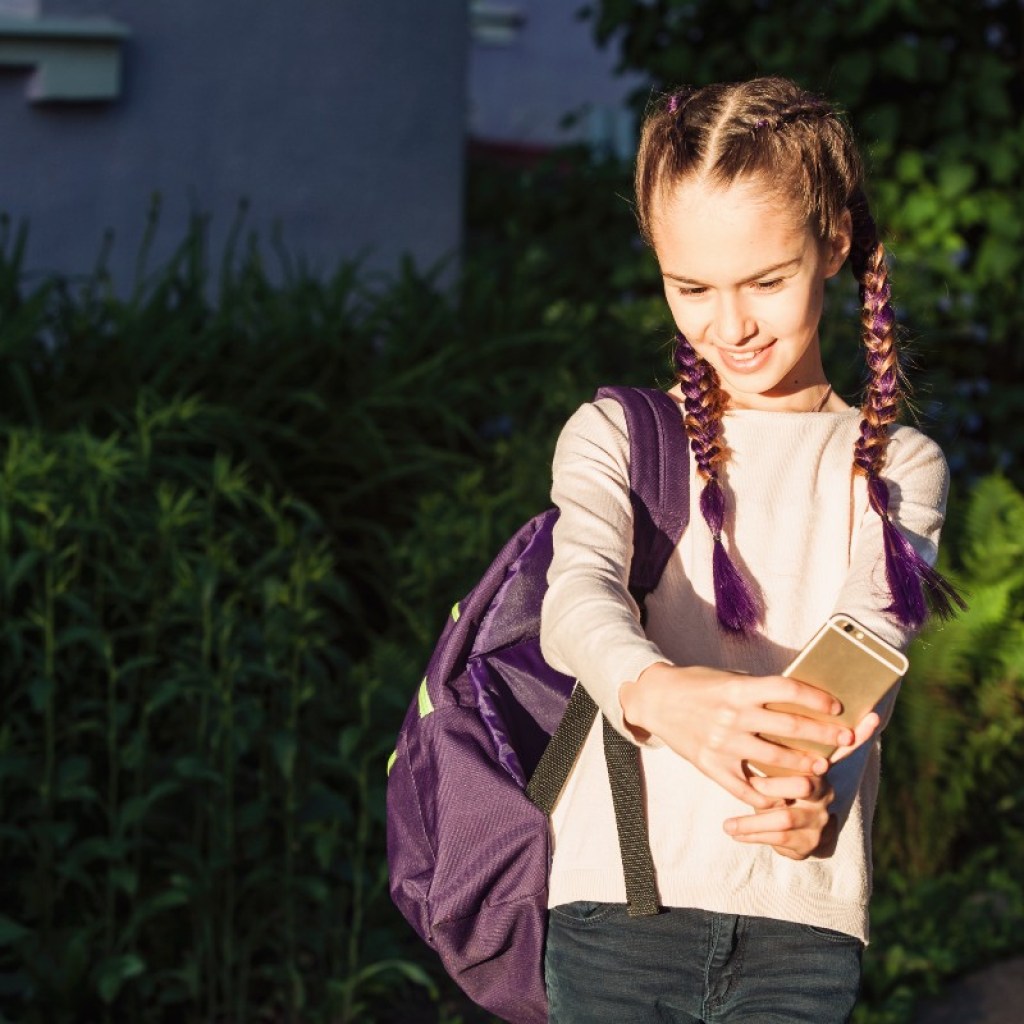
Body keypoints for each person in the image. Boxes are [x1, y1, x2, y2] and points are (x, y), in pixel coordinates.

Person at [538, 76, 961, 1023]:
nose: (729, 327)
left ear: (835, 242)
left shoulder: (901, 466)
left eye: (766, 281)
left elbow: (864, 648)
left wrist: (823, 792)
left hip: (801, 921)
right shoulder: (615, 434)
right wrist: (659, 694)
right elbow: (576, 602)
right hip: (619, 902)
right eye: (691, 288)